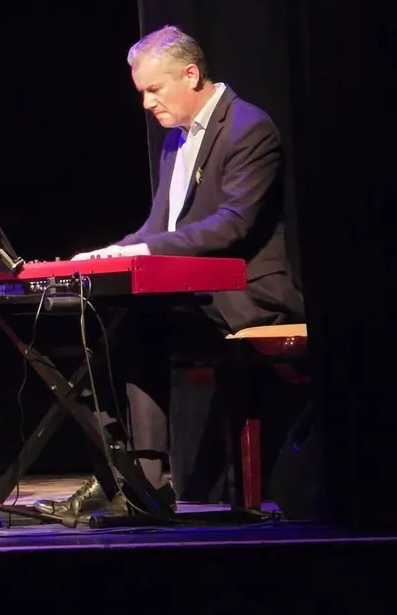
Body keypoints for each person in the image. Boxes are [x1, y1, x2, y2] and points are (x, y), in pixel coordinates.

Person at [35, 25, 305, 521]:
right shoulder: (174, 141)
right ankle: (120, 475)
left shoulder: (250, 129)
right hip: (194, 294)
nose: (146, 104)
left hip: (247, 294)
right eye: (141, 92)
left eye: (153, 90)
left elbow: (231, 226)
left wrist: (136, 250)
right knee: (98, 323)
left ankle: (146, 484)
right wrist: (106, 254)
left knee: (137, 327)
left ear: (191, 74)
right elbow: (160, 227)